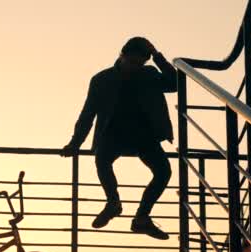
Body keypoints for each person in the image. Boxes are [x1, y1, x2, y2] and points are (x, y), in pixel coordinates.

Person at [60, 37, 176, 240]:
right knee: (102, 159)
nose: (135, 67)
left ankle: (141, 218)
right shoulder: (102, 80)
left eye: (140, 64)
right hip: (113, 134)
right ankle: (113, 203)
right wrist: (74, 143)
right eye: (132, 62)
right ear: (122, 56)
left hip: (144, 135)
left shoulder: (149, 74)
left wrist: (157, 56)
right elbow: (88, 114)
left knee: (163, 172)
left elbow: (174, 84)